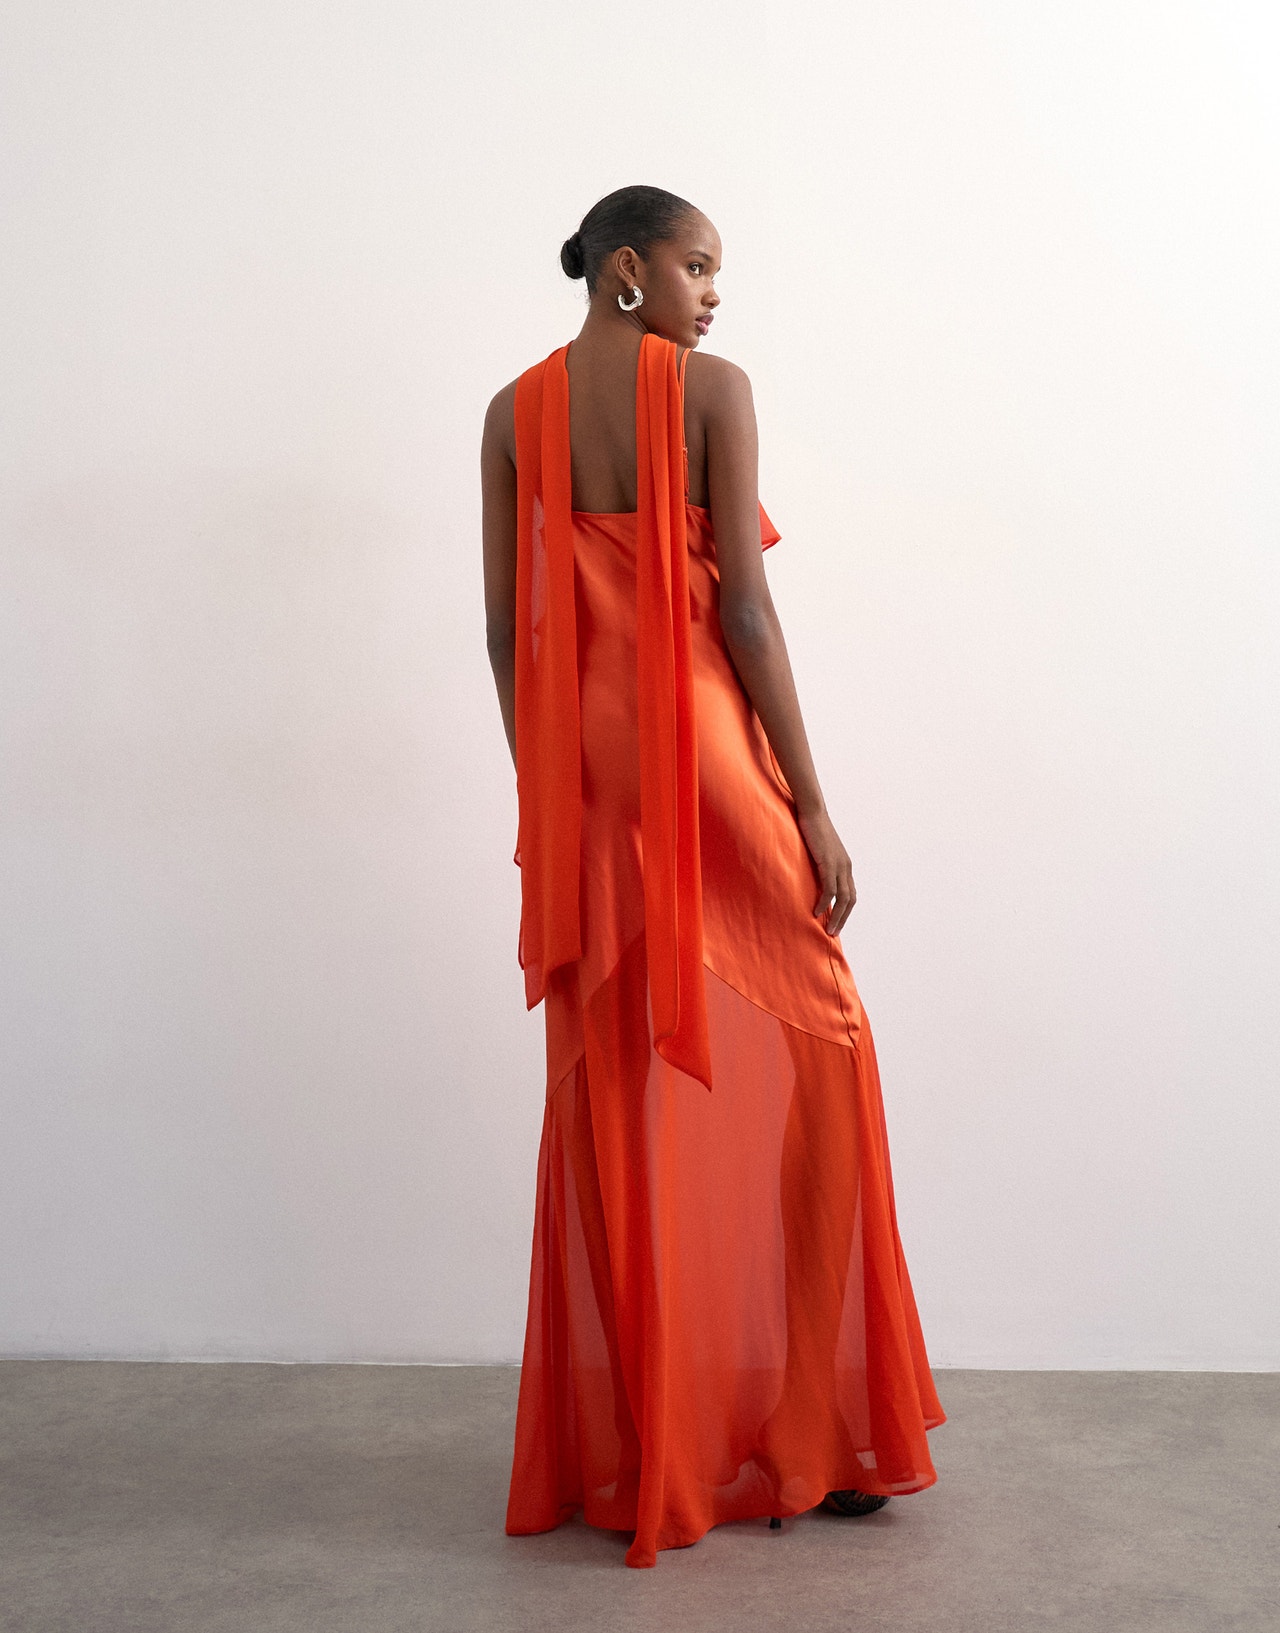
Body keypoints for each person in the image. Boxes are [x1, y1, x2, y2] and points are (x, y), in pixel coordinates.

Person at [481, 184, 944, 1569]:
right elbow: (742, 603)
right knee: (826, 1041)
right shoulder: (712, 390)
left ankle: (647, 1445)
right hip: (703, 759)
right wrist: (814, 800)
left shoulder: (510, 413)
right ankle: (815, 1424)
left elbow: (505, 634)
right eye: (698, 266)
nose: (713, 293)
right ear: (627, 268)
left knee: (613, 1075)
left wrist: (546, 791)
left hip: (583, 773)